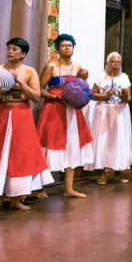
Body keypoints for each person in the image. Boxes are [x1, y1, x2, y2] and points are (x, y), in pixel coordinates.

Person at [0, 38, 54, 210]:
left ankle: (16, 198)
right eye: (8, 48)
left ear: (23, 54)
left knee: (20, 154)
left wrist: (20, 82)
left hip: (21, 115)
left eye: (14, 49)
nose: (10, 52)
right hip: (1, 113)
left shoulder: (29, 71)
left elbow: (35, 97)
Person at [37, 34, 94, 198]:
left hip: (72, 111)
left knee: (72, 146)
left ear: (73, 48)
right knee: (48, 147)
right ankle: (40, 187)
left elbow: (82, 87)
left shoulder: (78, 67)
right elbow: (39, 90)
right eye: (63, 45)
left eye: (70, 45)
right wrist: (55, 97)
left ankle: (68, 188)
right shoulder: (51, 67)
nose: (67, 48)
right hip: (54, 109)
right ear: (58, 48)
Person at [84, 52, 132, 184]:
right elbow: (92, 95)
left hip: (120, 111)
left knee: (118, 140)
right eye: (113, 61)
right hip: (103, 111)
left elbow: (129, 98)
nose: (116, 64)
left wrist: (123, 97)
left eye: (118, 62)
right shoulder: (101, 77)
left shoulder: (124, 77)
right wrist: (105, 95)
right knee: (102, 141)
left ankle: (118, 172)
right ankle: (101, 173)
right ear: (107, 63)